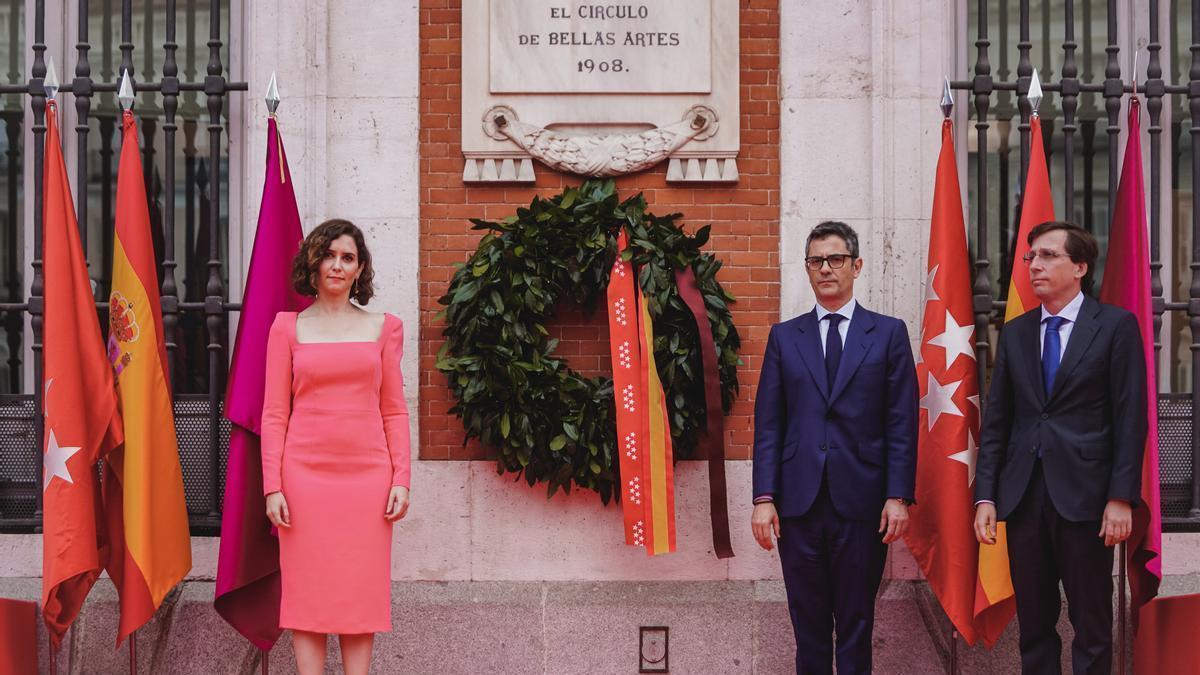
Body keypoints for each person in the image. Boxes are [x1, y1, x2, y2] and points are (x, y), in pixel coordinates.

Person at [974, 220, 1147, 675]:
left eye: (1048, 256)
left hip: (1088, 500)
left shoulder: (1114, 327)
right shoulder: (1016, 332)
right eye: (1031, 257)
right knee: (1034, 625)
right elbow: (998, 422)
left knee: (1091, 624)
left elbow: (1130, 418)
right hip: (1025, 496)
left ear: (1080, 267)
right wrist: (986, 495)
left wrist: (1120, 497)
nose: (1034, 265)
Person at [751, 221, 918, 674]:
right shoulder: (786, 337)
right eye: (816, 261)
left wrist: (898, 495)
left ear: (856, 265)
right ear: (807, 269)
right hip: (798, 506)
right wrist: (764, 498)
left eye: (835, 259)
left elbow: (901, 421)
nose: (825, 269)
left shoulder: (887, 334)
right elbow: (768, 424)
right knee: (807, 628)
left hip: (862, 505)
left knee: (856, 624)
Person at [261, 218, 411, 675]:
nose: (337, 265)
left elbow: (395, 411)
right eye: (329, 255)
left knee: (358, 596)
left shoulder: (385, 328)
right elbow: (274, 413)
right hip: (303, 481)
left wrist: (401, 478)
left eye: (348, 257)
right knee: (306, 597)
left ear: (360, 268)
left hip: (367, 482)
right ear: (313, 261)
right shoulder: (286, 328)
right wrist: (273, 486)